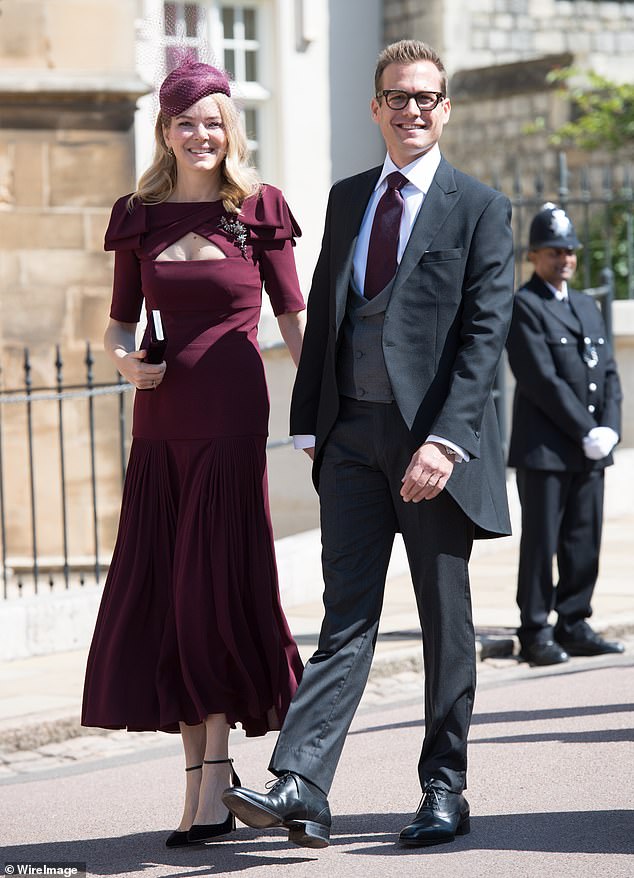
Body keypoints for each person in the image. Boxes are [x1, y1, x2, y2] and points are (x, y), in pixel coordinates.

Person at [223, 39, 514, 849]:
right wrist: (313, 422)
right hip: (350, 437)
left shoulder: (479, 206)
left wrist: (448, 442)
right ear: (376, 107)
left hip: (431, 450)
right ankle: (302, 784)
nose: (412, 110)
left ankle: (444, 787)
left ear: (445, 108)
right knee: (345, 617)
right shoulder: (350, 197)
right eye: (397, 97)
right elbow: (326, 310)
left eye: (426, 97)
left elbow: (485, 338)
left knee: (443, 624)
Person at [81, 59, 305, 847]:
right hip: (160, 428)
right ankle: (201, 784)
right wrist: (120, 359)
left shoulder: (258, 210)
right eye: (186, 122)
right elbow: (117, 321)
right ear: (165, 131)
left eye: (214, 120)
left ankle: (213, 788)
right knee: (171, 602)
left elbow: (295, 320)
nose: (201, 134)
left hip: (233, 423)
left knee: (211, 594)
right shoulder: (136, 215)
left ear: (229, 127)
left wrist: (316, 420)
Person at [506, 203, 624, 666]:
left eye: (570, 251)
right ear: (533, 256)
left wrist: (609, 428)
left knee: (583, 537)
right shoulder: (524, 305)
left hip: (591, 446)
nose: (565, 259)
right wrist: (586, 429)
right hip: (546, 448)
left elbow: (609, 372)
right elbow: (541, 379)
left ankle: (573, 621)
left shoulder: (586, 305)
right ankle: (535, 630)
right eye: (554, 251)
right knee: (541, 541)